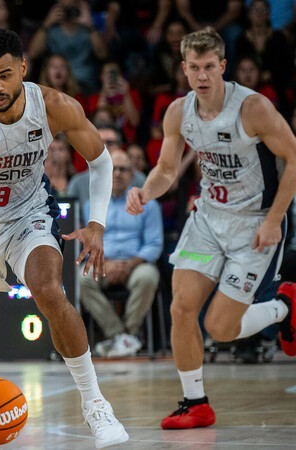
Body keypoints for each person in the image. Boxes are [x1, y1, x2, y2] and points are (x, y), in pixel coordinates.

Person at [0, 29, 128, 448]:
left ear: (22, 67)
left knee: (50, 292)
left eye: (3, 75)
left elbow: (101, 160)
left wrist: (97, 224)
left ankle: (95, 405)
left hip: (29, 212)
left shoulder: (54, 106)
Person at [125, 28, 296, 429]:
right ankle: (195, 402)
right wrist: (145, 192)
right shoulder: (177, 112)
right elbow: (167, 170)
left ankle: (285, 305)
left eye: (209, 67)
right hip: (207, 220)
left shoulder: (252, 108)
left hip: (255, 223)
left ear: (223, 67)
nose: (202, 76)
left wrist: (274, 220)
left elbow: (293, 157)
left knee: (221, 327)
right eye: (194, 68)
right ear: (184, 69)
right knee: (181, 309)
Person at [80, 150, 163, 359]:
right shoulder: (92, 204)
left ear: (132, 173)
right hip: (103, 263)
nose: (117, 173)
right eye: (113, 169)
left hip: (135, 263)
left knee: (148, 277)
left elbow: (154, 244)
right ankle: (120, 335)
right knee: (82, 281)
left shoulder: (148, 203)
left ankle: (128, 334)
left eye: (123, 169)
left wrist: (129, 264)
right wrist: (105, 262)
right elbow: (87, 243)